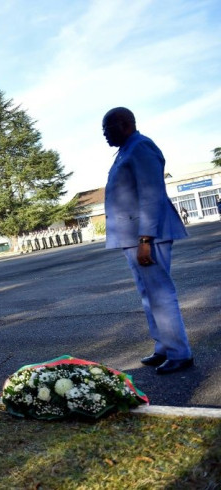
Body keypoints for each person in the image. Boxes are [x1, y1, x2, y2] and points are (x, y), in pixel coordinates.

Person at [102, 107, 192, 375]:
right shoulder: (126, 150)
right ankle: (164, 347)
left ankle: (179, 353)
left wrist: (145, 239)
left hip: (148, 236)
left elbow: (151, 195)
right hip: (133, 236)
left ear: (123, 123)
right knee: (148, 294)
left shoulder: (141, 147)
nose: (105, 136)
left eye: (107, 129)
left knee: (161, 294)